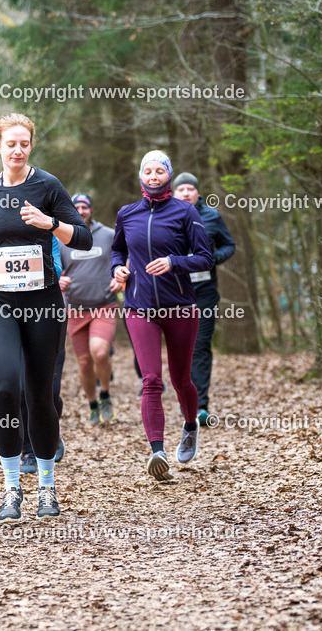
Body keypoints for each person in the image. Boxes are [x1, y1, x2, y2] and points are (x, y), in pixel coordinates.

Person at [0, 113, 92, 521]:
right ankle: (12, 488)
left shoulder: (47, 186)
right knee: (7, 387)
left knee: (39, 391)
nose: (17, 150)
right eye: (10, 144)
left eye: (24, 144)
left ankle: (47, 486)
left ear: (30, 146)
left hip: (43, 300)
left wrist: (51, 224)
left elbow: (82, 237)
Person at [111, 150, 213, 481]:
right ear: (140, 176)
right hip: (140, 307)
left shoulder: (186, 212)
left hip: (180, 307)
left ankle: (189, 424)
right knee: (151, 380)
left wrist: (174, 261)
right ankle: (158, 452)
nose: (153, 175)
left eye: (159, 170)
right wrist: (118, 269)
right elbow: (118, 249)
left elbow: (205, 258)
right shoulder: (127, 214)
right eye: (147, 170)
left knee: (181, 379)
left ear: (168, 175)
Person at [172, 173, 235, 426]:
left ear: (198, 193)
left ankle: (201, 407)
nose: (186, 193)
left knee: (200, 345)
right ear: (174, 193)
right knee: (179, 348)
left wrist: (214, 258)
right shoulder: (167, 215)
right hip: (174, 292)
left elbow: (229, 245)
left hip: (205, 292)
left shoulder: (211, 216)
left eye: (191, 188)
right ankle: (185, 400)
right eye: (181, 189)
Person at [58, 193, 120, 425]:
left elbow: (124, 257)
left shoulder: (108, 235)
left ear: (91, 210)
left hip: (104, 305)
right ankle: (93, 404)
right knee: (84, 362)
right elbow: (53, 266)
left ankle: (104, 393)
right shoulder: (62, 239)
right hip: (74, 309)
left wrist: (121, 278)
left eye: (85, 207)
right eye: (76, 207)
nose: (81, 210)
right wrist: (58, 279)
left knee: (100, 352)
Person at [18, 235, 66, 474]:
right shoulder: (0, 235)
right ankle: (28, 451)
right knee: (20, 389)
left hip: (48, 315)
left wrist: (34, 269)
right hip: (12, 317)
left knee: (48, 390)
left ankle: (51, 431)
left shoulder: (47, 235)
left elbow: (57, 268)